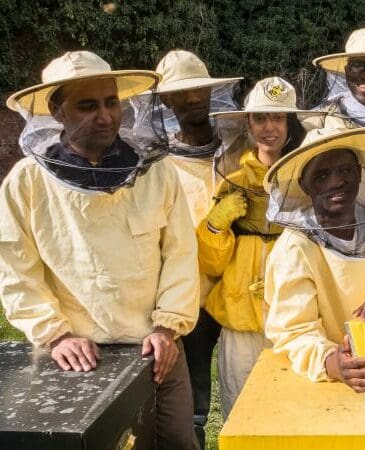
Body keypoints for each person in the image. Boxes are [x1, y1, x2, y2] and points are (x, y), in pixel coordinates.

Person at [1, 51, 200, 449]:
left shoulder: (156, 171)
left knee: (178, 442)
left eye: (111, 102)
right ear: (57, 110)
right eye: (87, 105)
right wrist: (55, 336)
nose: (106, 116)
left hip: (157, 350)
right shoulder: (27, 183)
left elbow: (180, 254)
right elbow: (16, 270)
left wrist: (167, 327)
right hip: (77, 355)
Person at [197, 77, 322, 418]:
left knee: (292, 416)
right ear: (249, 124)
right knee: (241, 417)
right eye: (261, 118)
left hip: (294, 321)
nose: (270, 127)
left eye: (278, 118)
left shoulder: (306, 182)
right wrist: (215, 225)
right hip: (240, 324)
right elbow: (210, 264)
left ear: (289, 124)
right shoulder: (231, 180)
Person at [262, 127, 365, 391]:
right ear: (305, 186)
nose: (336, 182)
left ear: (358, 172)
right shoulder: (295, 247)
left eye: (344, 171)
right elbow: (294, 331)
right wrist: (332, 362)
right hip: (316, 378)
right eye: (322, 175)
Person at [152, 49, 242, 448]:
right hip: (191, 296)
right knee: (193, 395)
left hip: (245, 284)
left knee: (252, 379)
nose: (192, 100)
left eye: (198, 91)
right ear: (165, 101)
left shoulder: (239, 147)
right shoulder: (158, 165)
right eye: (181, 94)